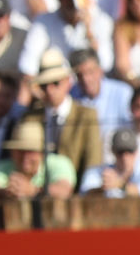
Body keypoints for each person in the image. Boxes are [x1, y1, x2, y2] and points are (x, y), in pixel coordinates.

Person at [30, 48, 101, 189]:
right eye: (44, 85)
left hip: (76, 194)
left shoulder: (86, 115)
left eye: (55, 83)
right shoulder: (31, 118)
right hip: (36, 193)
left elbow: (93, 162)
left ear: (68, 81)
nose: (49, 90)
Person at [18, 0, 116, 77]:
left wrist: (89, 31)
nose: (69, 1)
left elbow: (105, 64)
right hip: (60, 85)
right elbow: (27, 63)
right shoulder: (43, 21)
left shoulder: (102, 21)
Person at [0, 117, 75, 197]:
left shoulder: (59, 163)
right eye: (20, 151)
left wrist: (32, 190)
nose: (25, 156)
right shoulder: (3, 166)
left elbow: (64, 190)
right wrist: (7, 191)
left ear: (42, 153)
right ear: (12, 152)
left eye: (31, 151)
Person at [79, 126, 140, 196]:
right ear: (113, 151)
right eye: (120, 152)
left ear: (136, 151)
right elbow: (85, 194)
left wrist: (121, 185)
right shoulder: (98, 172)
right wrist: (103, 188)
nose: (125, 157)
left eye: (129, 151)